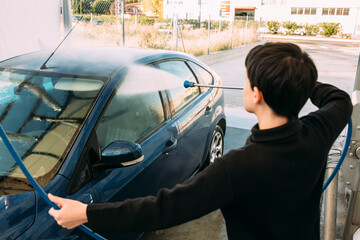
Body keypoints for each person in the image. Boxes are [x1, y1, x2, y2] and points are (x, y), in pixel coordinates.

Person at [48, 42, 352, 239]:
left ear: (256, 94)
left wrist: (85, 214)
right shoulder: (318, 131)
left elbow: (163, 208)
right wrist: (297, 80)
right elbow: (340, 100)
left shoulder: (237, 167)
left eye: (247, 80)